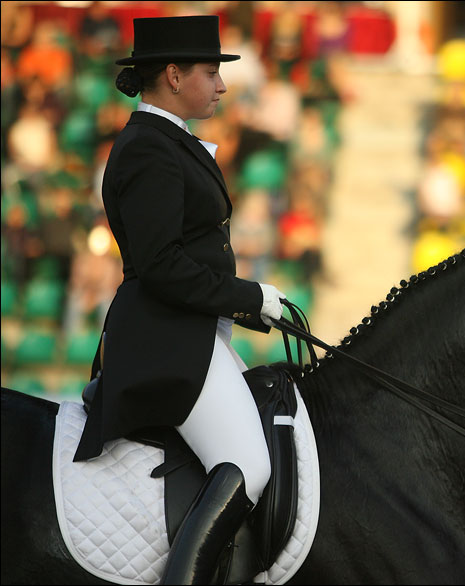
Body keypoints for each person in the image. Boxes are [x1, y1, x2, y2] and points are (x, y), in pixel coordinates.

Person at [72, 16, 286, 584]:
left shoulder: (167, 142)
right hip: (165, 339)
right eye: (211, 71)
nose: (221, 85)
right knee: (250, 465)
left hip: (190, 332)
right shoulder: (149, 148)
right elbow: (164, 265)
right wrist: (250, 297)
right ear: (172, 74)